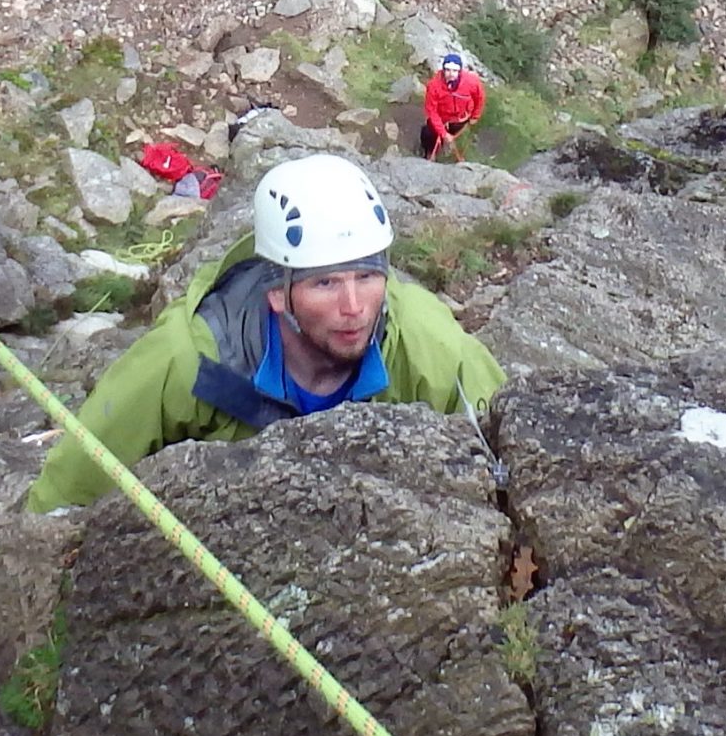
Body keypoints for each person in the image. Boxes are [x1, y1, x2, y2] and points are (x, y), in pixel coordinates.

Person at [27, 153, 507, 510]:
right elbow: (77, 482)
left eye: (367, 276)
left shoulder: (427, 347)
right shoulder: (193, 360)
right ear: (277, 292)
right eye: (325, 283)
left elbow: (507, 450)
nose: (355, 307)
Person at [421, 50, 485, 159]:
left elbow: (479, 97)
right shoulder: (434, 86)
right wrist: (443, 133)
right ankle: (430, 151)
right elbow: (432, 111)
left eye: (454, 71)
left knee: (453, 131)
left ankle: (446, 143)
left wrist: (475, 115)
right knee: (428, 133)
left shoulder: (471, 82)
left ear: (460, 71)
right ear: (443, 70)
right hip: (441, 117)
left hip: (460, 117)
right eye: (448, 70)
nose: (451, 74)